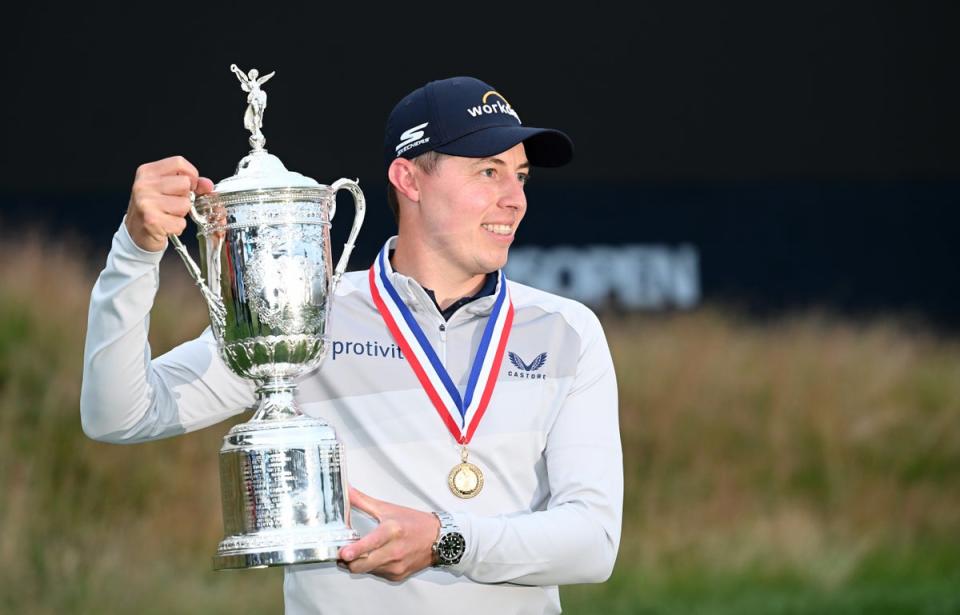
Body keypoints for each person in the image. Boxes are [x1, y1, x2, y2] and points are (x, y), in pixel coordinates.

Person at [81, 76, 623, 615]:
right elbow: (119, 415)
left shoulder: (566, 329)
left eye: (521, 176)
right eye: (488, 172)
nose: (515, 200)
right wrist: (135, 251)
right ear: (408, 179)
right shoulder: (305, 312)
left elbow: (594, 541)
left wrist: (444, 540)